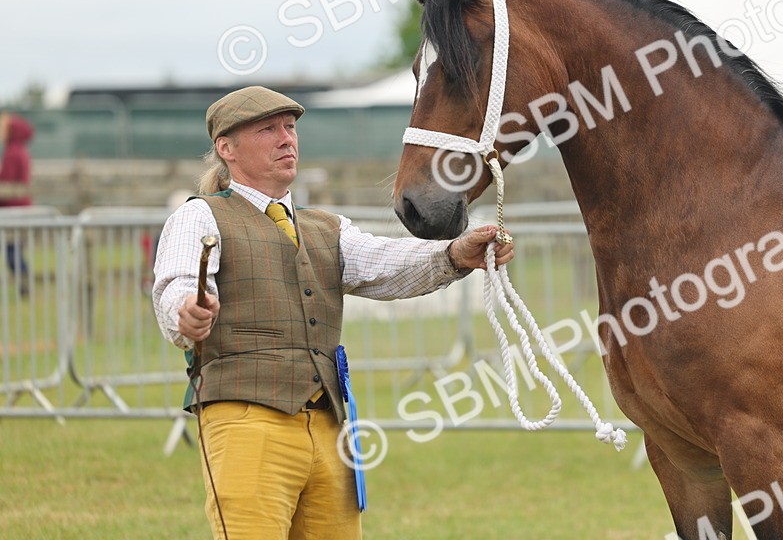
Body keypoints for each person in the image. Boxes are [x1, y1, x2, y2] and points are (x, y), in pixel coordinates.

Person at [152, 86, 514, 540]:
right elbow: (177, 288)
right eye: (268, 130)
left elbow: (385, 264)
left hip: (329, 427)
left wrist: (456, 253)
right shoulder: (199, 217)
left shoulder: (328, 227)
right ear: (227, 148)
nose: (288, 139)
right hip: (245, 420)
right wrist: (186, 314)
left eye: (290, 128)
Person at [0, 112, 35, 297]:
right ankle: (24, 286)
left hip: (14, 210)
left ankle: (25, 285)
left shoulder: (13, 152)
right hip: (19, 208)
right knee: (14, 252)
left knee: (13, 253)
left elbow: (7, 183)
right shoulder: (18, 150)